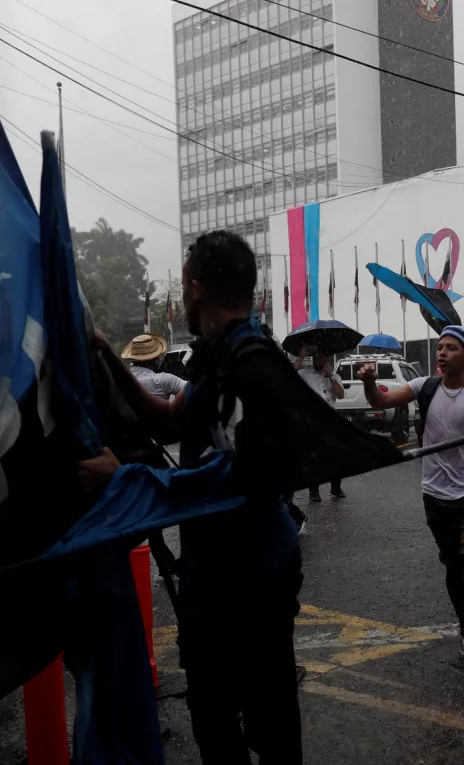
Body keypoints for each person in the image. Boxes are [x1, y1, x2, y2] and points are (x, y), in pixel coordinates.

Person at [86, 230, 306, 761]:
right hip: (215, 574)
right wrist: (104, 353)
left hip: (252, 577)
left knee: (267, 723)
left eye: (182, 286)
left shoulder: (252, 365)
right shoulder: (223, 360)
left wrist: (126, 480)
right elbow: (169, 423)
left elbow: (234, 481)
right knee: (212, 719)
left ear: (193, 287)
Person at [359, 325, 464, 677]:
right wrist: (370, 383)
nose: (441, 352)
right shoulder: (424, 387)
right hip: (435, 492)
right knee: (453, 566)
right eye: (440, 347)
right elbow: (382, 401)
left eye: (450, 348)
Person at [296, 347, 346, 501]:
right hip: (313, 421)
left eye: (322, 358)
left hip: (332, 421)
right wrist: (301, 357)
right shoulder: (305, 374)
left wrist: (330, 375)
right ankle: (314, 492)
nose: (319, 360)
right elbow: (289, 376)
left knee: (336, 456)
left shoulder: (334, 376)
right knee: (315, 458)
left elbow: (341, 394)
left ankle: (336, 489)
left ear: (327, 360)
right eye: (316, 358)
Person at [121, 333, 187, 400]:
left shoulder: (121, 382)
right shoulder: (163, 380)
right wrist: (174, 406)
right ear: (154, 359)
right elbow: (192, 389)